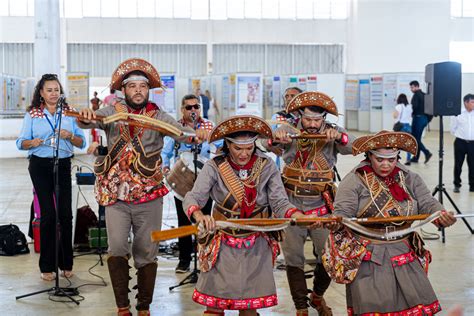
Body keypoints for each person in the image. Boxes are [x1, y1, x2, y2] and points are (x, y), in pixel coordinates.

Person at [76, 58, 209, 316]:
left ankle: (144, 307)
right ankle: (122, 307)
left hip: (149, 195)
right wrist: (86, 116)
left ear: (148, 90)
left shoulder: (159, 115)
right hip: (116, 194)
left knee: (146, 252)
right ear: (123, 90)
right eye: (132, 86)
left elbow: (180, 132)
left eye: (142, 86)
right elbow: (88, 122)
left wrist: (197, 134)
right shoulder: (112, 112)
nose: (138, 90)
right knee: (116, 248)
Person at [183, 115, 316, 316]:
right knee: (214, 306)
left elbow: (279, 202)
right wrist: (201, 216)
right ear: (228, 145)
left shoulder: (267, 165)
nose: (244, 154)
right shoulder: (214, 166)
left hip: (256, 242)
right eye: (238, 148)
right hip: (222, 241)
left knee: (249, 305)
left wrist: (297, 215)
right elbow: (192, 198)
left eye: (249, 148)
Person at [326, 130, 457, 315]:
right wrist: (335, 222)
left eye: (392, 159)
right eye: (379, 159)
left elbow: (428, 202)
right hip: (370, 256)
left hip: (404, 250)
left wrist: (439, 214)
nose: (386, 164)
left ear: (398, 157)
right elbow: (342, 214)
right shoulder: (354, 180)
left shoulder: (410, 178)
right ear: (369, 155)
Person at [273, 91, 353, 316]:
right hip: (292, 204)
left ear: (324, 118)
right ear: (300, 115)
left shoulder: (333, 131)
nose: (311, 124)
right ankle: (301, 308)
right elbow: (264, 141)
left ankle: (317, 297)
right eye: (307, 119)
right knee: (293, 258)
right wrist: (277, 137)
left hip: (322, 204)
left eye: (317, 120)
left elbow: (354, 146)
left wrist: (338, 138)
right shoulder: (289, 129)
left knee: (327, 256)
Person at [16, 74, 86, 282]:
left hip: (63, 164)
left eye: (57, 89)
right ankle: (47, 266)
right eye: (49, 90)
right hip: (39, 166)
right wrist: (33, 143)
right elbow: (21, 142)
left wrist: (70, 136)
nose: (54, 94)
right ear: (41, 93)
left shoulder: (69, 113)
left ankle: (66, 263)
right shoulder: (33, 114)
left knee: (65, 215)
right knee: (48, 215)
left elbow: (81, 142)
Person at [161, 94, 222, 273]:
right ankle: (184, 260)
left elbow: (221, 146)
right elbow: (166, 153)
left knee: (205, 221)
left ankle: (205, 257)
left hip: (205, 182)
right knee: (184, 222)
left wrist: (215, 146)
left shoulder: (209, 126)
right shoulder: (176, 127)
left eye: (196, 107)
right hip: (182, 182)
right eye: (189, 107)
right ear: (182, 109)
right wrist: (165, 168)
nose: (193, 110)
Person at [451, 93, 474, 193]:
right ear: (466, 102)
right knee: (458, 164)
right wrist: (461, 135)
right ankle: (457, 184)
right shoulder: (458, 113)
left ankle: (472, 185)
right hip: (460, 142)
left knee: (473, 165)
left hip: (473, 144)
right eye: (472, 102)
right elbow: (452, 128)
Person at [409, 80, 432, 164]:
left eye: (412, 87)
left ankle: (427, 152)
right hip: (424, 119)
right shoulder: (425, 95)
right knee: (417, 139)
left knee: (414, 139)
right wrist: (427, 119)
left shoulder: (416, 95)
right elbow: (430, 108)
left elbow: (414, 107)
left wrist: (411, 113)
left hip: (418, 118)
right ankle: (416, 158)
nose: (411, 89)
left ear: (416, 86)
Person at [393, 93, 413, 165]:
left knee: (397, 143)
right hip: (408, 126)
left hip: (401, 126)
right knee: (408, 144)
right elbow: (411, 116)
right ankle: (408, 159)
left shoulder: (398, 106)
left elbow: (395, 116)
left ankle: (396, 159)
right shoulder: (409, 106)